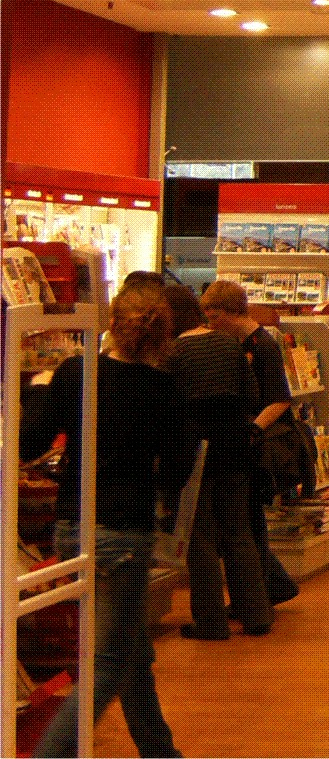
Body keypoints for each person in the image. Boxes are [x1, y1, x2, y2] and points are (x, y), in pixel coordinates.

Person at [24, 282, 194, 758]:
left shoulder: (76, 372)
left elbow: (31, 442)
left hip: (73, 523)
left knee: (129, 652)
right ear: (163, 336)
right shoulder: (163, 389)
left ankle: (161, 751)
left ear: (113, 325)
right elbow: (179, 467)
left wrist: (40, 392)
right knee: (112, 659)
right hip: (125, 530)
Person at [165, 285, 270, 639]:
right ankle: (256, 615)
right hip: (235, 448)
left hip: (194, 452)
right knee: (239, 532)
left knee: (200, 537)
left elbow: (169, 407)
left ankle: (211, 622)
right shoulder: (228, 345)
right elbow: (253, 396)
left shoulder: (175, 352)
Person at [201, 278, 301, 607]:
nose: (210, 323)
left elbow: (280, 399)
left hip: (259, 444)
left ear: (233, 312)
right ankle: (270, 586)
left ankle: (262, 591)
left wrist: (253, 430)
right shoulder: (242, 343)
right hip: (251, 442)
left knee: (247, 522)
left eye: (215, 316)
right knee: (249, 522)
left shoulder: (263, 346)